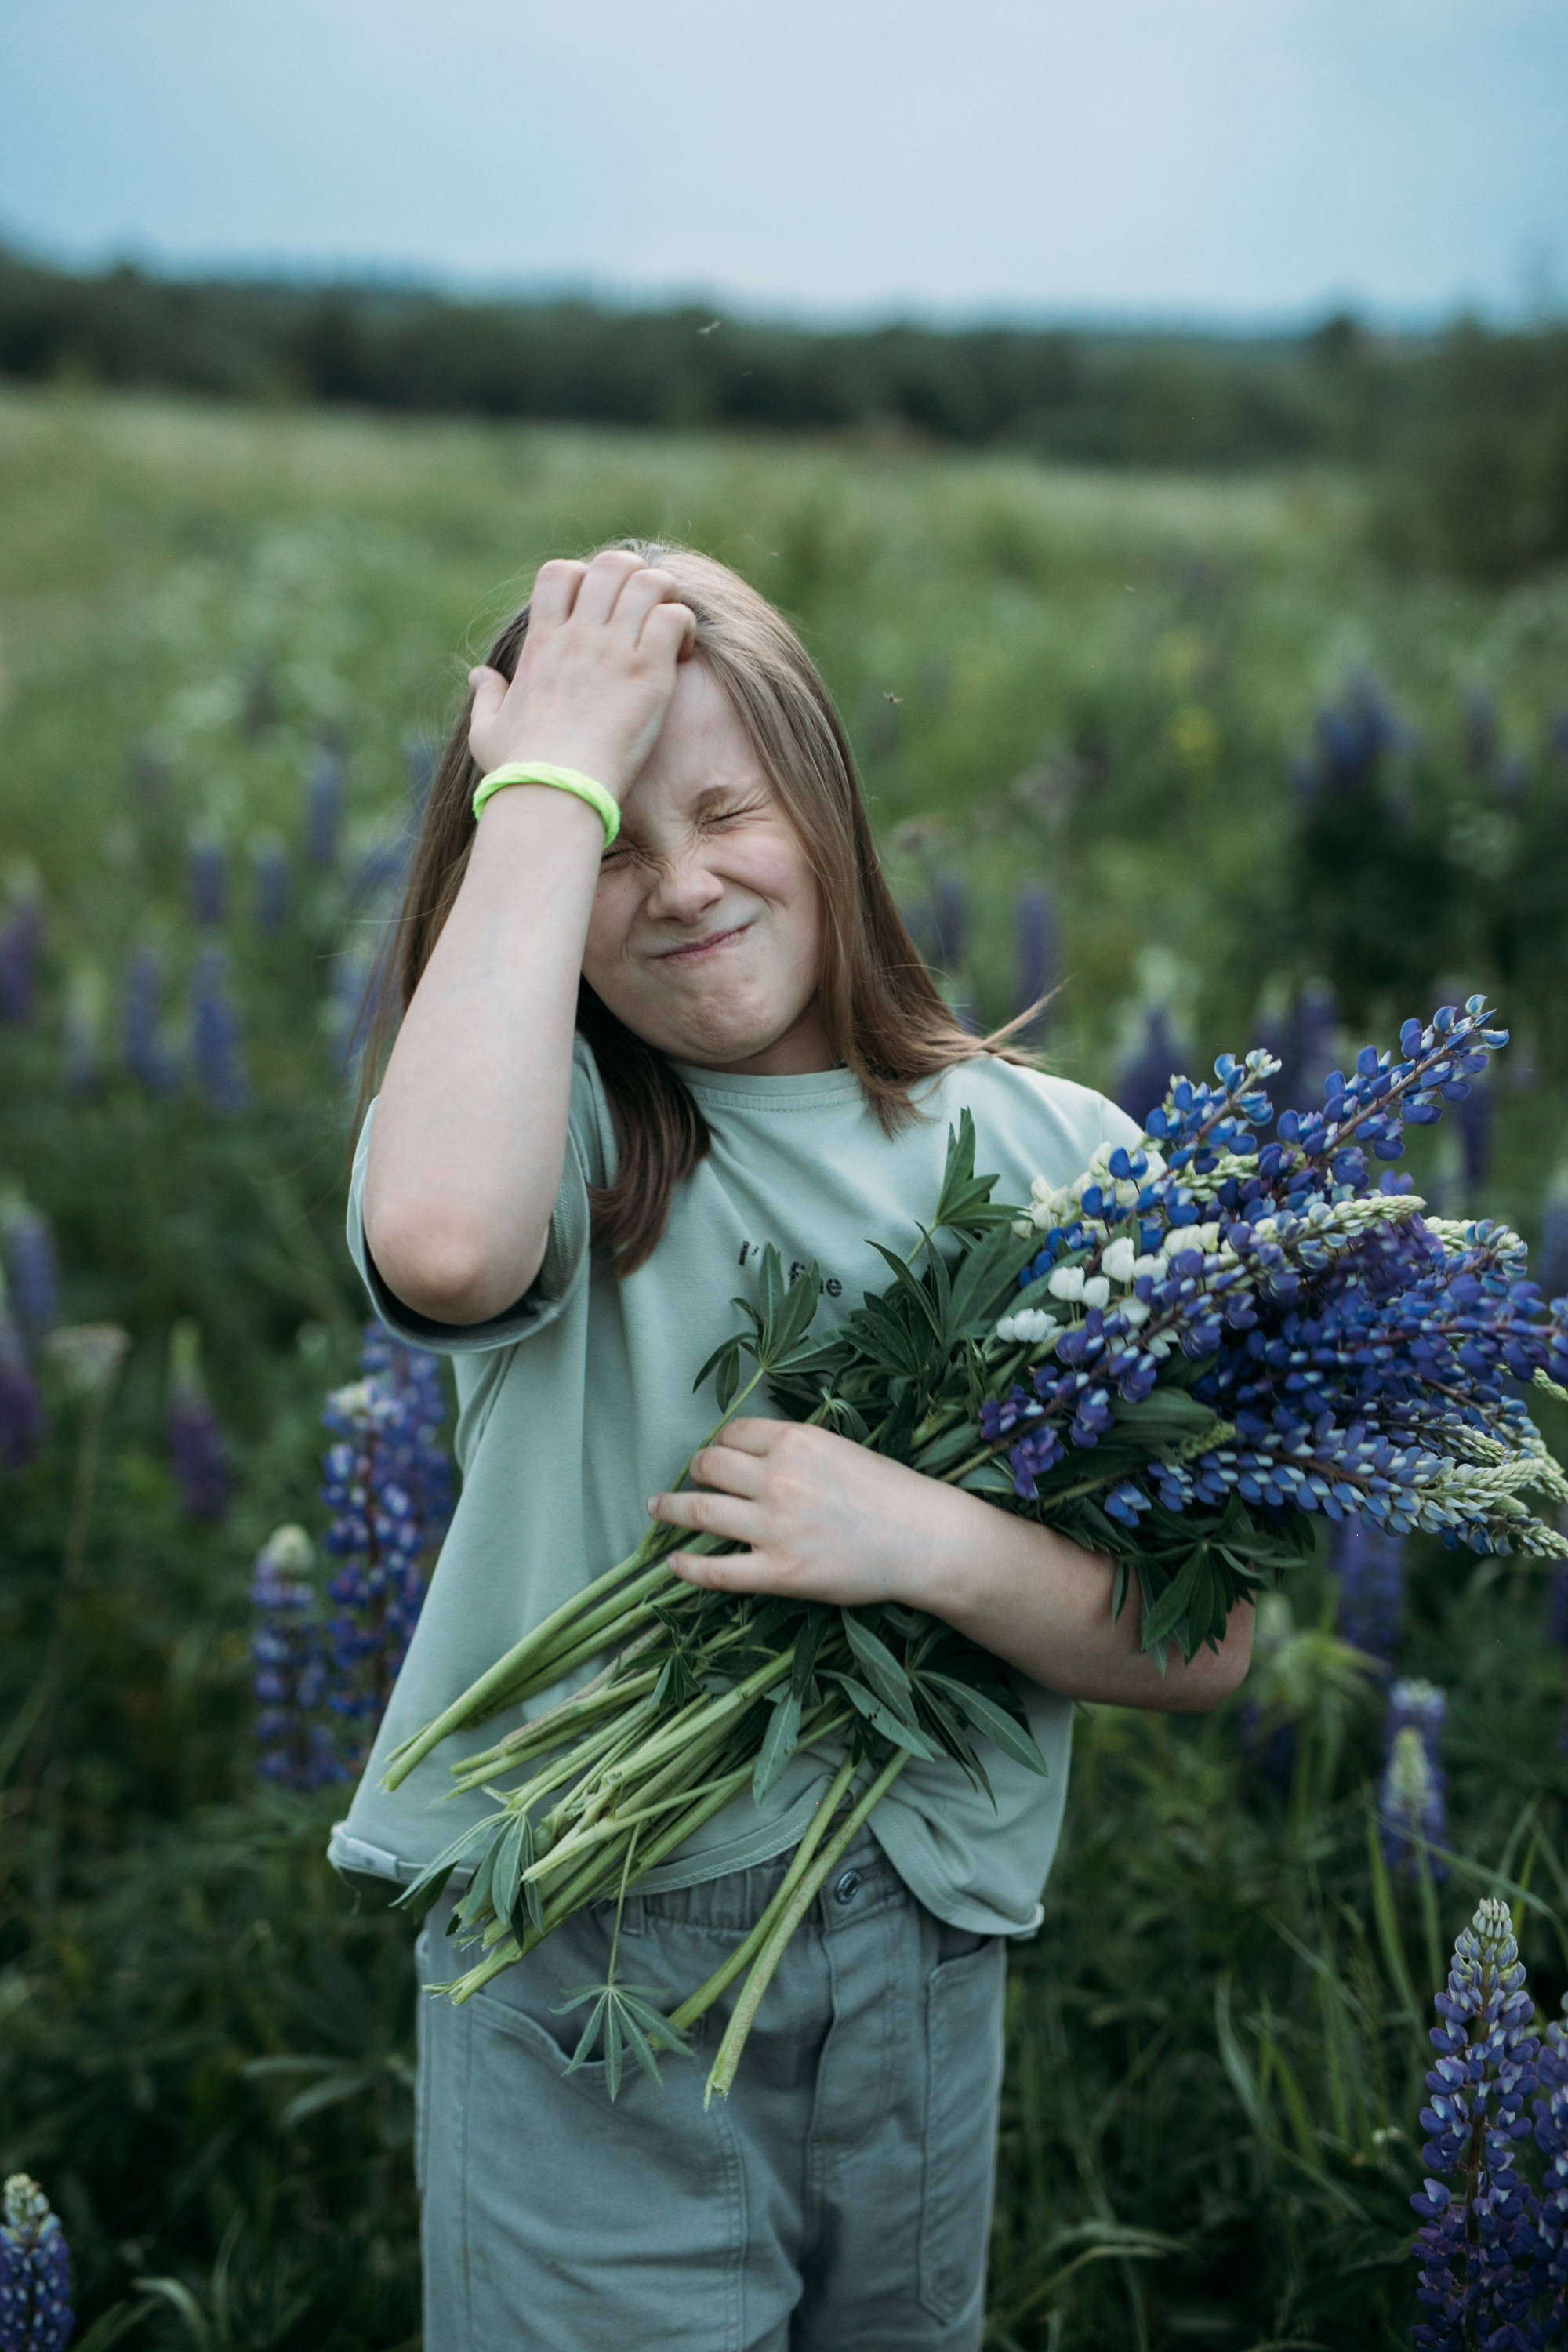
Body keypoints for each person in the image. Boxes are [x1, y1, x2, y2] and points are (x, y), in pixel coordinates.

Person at [334, 544, 1255, 2352]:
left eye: (727, 809)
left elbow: (1201, 1638)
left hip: (916, 1965)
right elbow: (440, 1245)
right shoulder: (561, 1124)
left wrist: (925, 1541)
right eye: (606, 841)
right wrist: (535, 778)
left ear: (825, 801)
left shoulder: (1070, 1155)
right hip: (579, 1947)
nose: (676, 885)